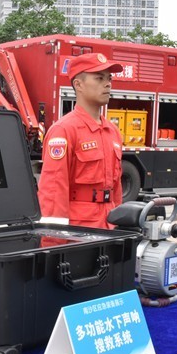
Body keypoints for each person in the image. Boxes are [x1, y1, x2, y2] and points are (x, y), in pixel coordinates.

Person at [38, 52, 125, 229]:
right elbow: (54, 190)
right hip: (79, 229)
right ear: (78, 85)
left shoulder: (112, 131)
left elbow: (116, 188)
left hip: (110, 224)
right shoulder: (64, 131)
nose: (107, 84)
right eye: (99, 78)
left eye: (109, 78)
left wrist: (121, 222)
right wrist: (55, 242)